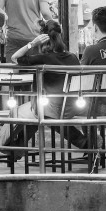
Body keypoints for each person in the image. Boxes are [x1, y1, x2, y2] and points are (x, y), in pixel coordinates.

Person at [10, 20, 90, 157]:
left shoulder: (43, 58)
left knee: (34, 113)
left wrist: (32, 43)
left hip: (53, 108)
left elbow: (14, 57)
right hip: (73, 106)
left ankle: (15, 146)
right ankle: (87, 144)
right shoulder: (72, 57)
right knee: (41, 113)